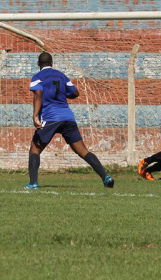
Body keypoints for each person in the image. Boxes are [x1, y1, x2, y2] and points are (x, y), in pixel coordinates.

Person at [26, 52, 114, 190]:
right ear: (52, 63)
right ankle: (106, 177)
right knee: (83, 151)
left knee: (34, 149)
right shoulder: (61, 75)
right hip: (68, 117)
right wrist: (62, 94)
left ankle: (33, 183)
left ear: (38, 64)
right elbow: (75, 93)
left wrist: (35, 115)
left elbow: (38, 94)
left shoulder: (38, 77)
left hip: (51, 118)